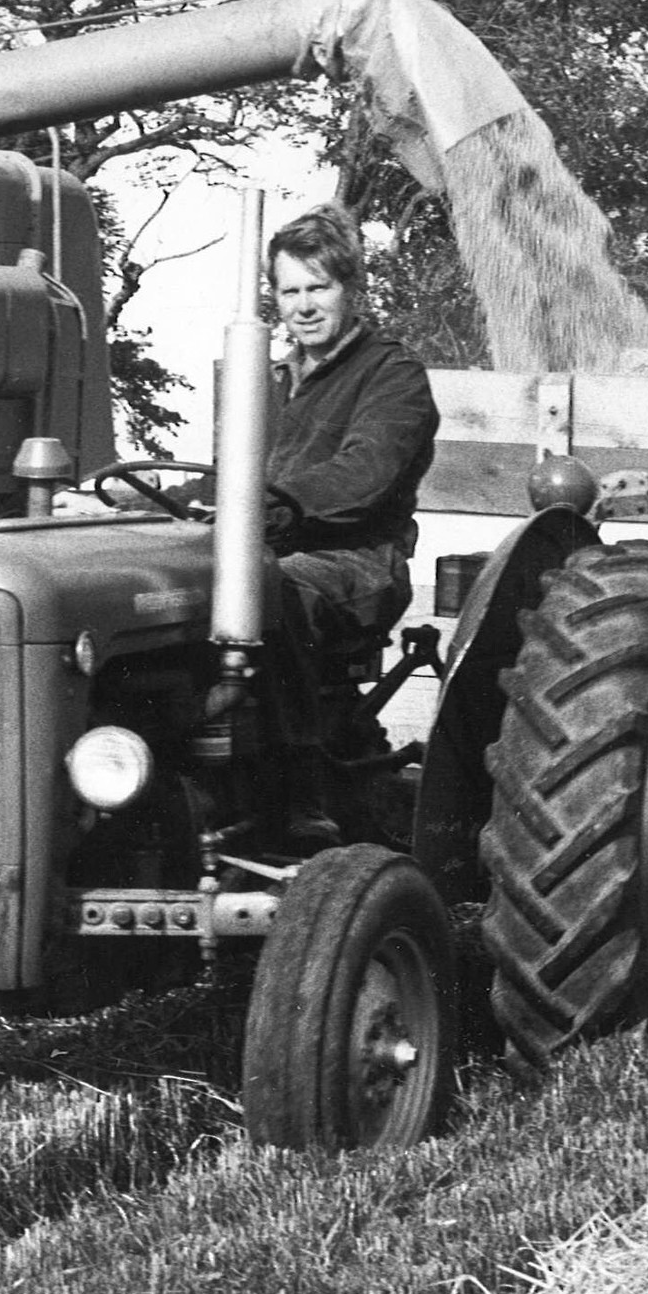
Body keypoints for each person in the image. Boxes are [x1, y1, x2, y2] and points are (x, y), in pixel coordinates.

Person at [254, 202, 438, 846]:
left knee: (267, 587)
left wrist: (261, 504)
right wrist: (129, 504)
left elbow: (366, 476)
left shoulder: (392, 375)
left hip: (356, 563)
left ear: (351, 290)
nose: (303, 306)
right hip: (271, 548)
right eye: (289, 290)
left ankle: (301, 793)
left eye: (319, 287)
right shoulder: (272, 381)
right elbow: (226, 475)